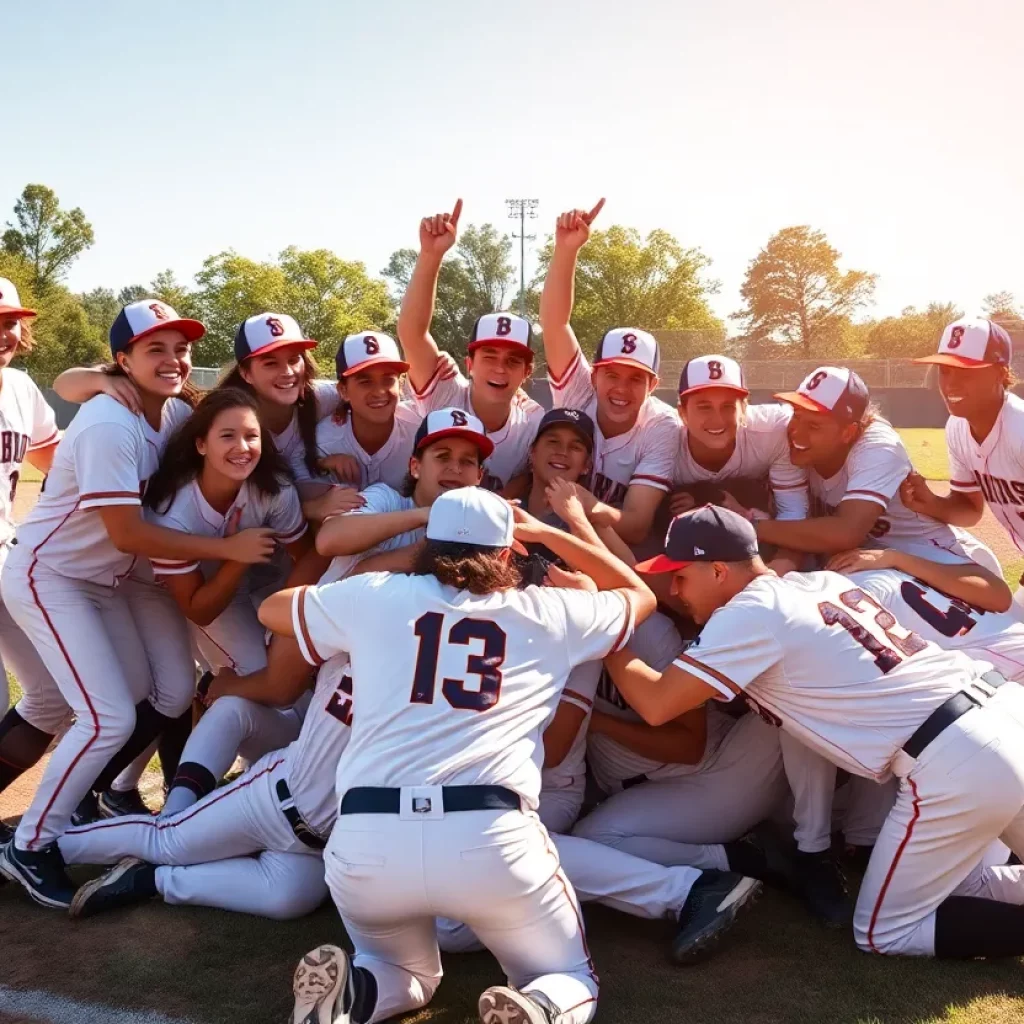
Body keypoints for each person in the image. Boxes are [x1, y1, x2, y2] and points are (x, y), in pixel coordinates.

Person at [259, 486, 661, 1024]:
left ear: (427, 546)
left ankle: (357, 992)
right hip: (489, 836)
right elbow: (641, 595)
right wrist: (545, 533)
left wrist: (381, 583)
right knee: (568, 974)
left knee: (395, 966)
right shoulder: (551, 610)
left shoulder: (377, 594)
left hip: (365, 840)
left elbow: (272, 608)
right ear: (507, 552)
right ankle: (542, 1006)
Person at [606, 504, 1024, 958]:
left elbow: (656, 704)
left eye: (681, 575)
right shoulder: (815, 584)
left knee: (884, 933)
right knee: (966, 882)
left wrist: (606, 632)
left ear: (720, 571)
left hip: (960, 756)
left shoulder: (751, 613)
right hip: (1003, 712)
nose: (674, 589)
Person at [0, 300, 277, 909]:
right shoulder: (107, 421)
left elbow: (234, 422)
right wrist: (224, 546)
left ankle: (94, 798)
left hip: (115, 581)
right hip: (55, 577)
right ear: (123, 359)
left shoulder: (175, 410)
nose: (174, 359)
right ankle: (30, 843)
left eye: (180, 348)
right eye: (155, 348)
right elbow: (126, 532)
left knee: (175, 692)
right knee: (106, 717)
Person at [56, 652, 353, 922]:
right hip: (280, 796)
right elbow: (280, 675)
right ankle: (36, 848)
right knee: (166, 839)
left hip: (324, 838)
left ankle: (150, 878)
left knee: (289, 897)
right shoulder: (364, 617)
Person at [141, 387, 318, 816]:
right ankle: (236, 789)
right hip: (207, 597)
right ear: (200, 443)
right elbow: (197, 608)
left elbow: (308, 556)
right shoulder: (172, 508)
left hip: (269, 588)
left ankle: (271, 779)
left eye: (252, 436)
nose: (243, 448)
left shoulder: (272, 488)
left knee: (299, 682)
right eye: (228, 436)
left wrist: (284, 625)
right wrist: (236, 558)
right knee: (262, 681)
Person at [539, 201, 678, 545]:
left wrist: (586, 505)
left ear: (653, 385)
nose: (621, 388)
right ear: (594, 375)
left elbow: (635, 526)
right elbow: (554, 323)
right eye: (612, 375)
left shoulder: (661, 426)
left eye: (635, 378)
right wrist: (567, 249)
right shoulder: (578, 390)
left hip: (613, 544)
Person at [397, 200, 544, 491]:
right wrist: (431, 254)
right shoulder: (447, 391)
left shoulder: (532, 422)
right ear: (469, 364)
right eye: (489, 356)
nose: (500, 368)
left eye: (513, 361)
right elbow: (412, 334)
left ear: (527, 371)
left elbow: (525, 477)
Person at [0, 278, 64, 843]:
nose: (6, 333)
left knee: (51, 695)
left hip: (5, 555)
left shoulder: (19, 387)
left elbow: (52, 451)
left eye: (11, 321)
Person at [901, 317, 1024, 609]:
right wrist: (929, 502)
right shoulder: (957, 427)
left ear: (1000, 373)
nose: (950, 383)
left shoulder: (1020, 429)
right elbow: (969, 510)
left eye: (965, 371)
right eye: (945, 371)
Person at [291, 331, 419, 520]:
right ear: (343, 391)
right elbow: (296, 473)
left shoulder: (420, 428)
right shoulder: (325, 440)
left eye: (388, 379)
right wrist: (321, 463)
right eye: (365, 381)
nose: (379, 391)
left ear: (400, 385)